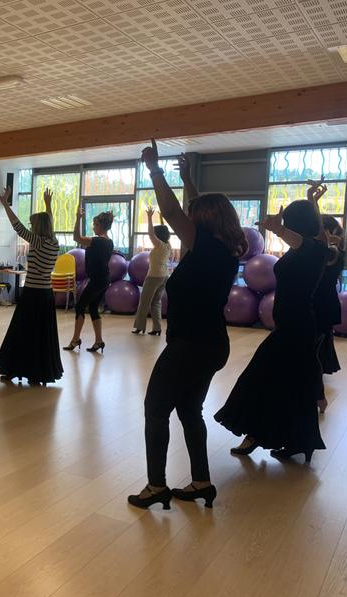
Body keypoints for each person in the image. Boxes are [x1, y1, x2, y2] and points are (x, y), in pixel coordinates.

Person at [128, 144, 247, 510]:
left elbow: (171, 211)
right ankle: (201, 482)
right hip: (212, 344)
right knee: (188, 411)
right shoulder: (223, 246)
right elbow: (195, 210)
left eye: (195, 217)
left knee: (155, 408)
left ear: (204, 222)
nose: (187, 222)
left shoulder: (204, 244)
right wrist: (188, 180)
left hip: (190, 345)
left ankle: (156, 486)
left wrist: (154, 169)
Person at [215, 189, 332, 463]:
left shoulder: (313, 250)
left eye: (290, 223)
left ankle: (257, 434)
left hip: (297, 327)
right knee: (291, 384)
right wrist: (313, 202)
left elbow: (302, 239)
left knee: (260, 377)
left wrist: (278, 229)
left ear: (296, 225)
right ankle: (295, 440)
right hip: (293, 325)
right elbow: (310, 237)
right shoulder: (313, 247)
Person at [0, 187, 62, 386]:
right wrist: (48, 204)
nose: (30, 227)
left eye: (33, 224)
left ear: (38, 227)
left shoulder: (38, 241)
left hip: (33, 294)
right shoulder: (54, 241)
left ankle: (15, 368)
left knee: (22, 333)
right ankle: (36, 372)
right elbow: (50, 222)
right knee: (40, 335)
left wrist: (5, 203)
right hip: (46, 294)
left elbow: (17, 226)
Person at [306, 180, 344, 414]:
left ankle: (317, 396)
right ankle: (317, 396)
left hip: (321, 308)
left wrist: (312, 202)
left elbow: (319, 239)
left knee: (312, 354)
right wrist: (313, 202)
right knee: (313, 352)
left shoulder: (332, 252)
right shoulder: (321, 250)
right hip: (316, 307)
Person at [64, 203, 114, 353]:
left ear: (101, 226)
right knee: (93, 308)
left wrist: (78, 218)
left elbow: (76, 237)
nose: (93, 227)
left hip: (98, 280)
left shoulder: (96, 241)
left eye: (94, 225)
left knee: (79, 307)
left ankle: (75, 339)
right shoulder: (109, 242)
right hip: (104, 279)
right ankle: (99, 341)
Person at [132, 207, 172, 335]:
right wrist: (160, 218)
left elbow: (150, 233)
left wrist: (149, 217)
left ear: (158, 236)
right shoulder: (168, 245)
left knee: (144, 302)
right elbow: (164, 231)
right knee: (156, 302)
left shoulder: (159, 245)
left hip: (154, 277)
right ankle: (157, 328)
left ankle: (139, 327)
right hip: (164, 276)